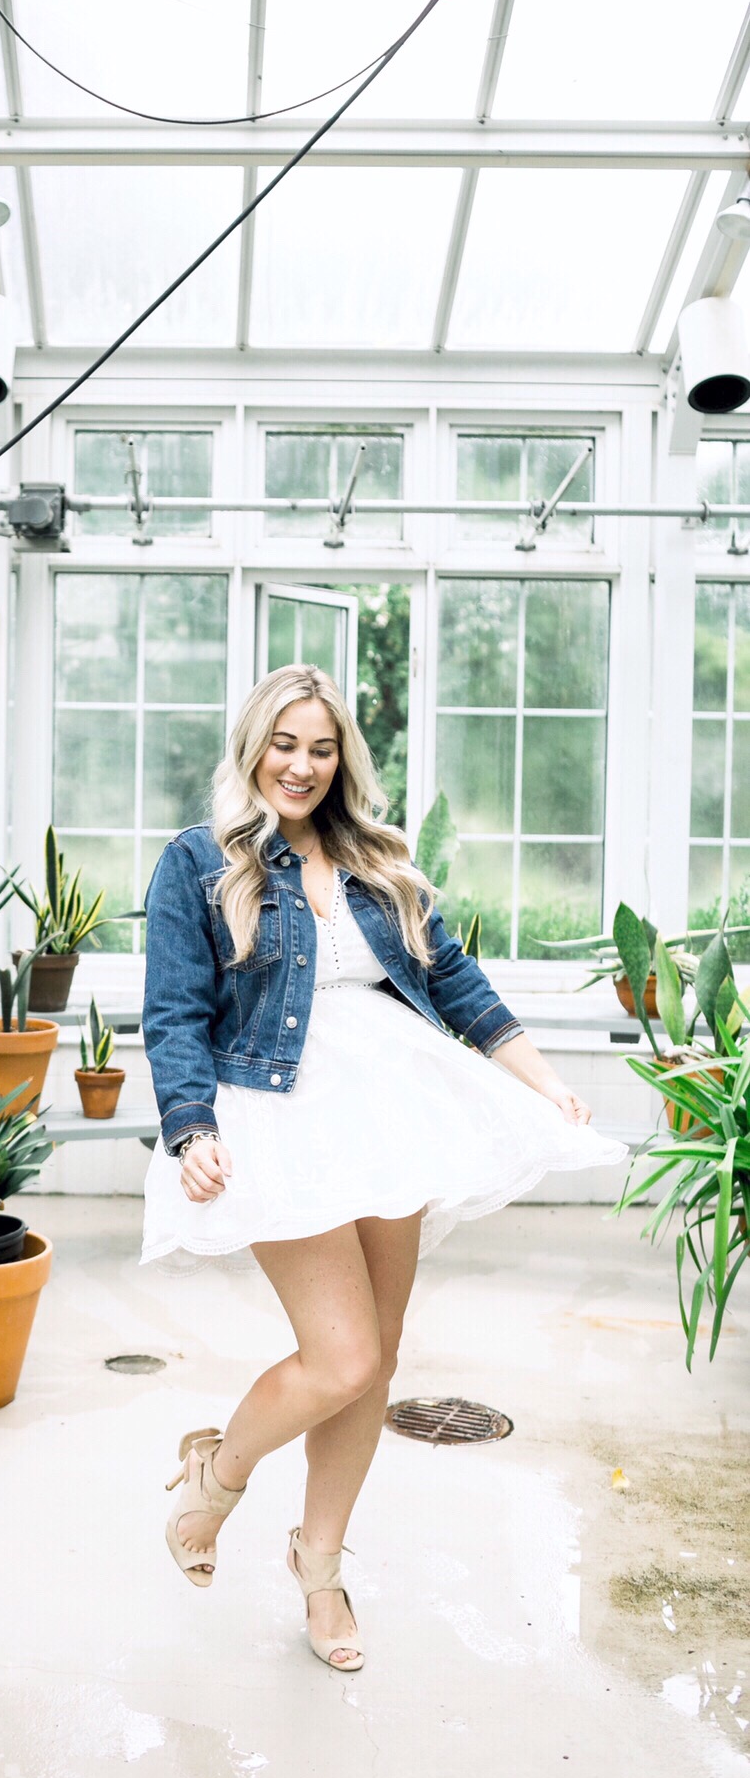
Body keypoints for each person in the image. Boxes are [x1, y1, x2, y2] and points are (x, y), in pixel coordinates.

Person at [139, 663, 628, 1671]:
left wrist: (540, 1078)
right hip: (277, 1118)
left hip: (392, 1121)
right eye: (285, 743)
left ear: (342, 759)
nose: (303, 766)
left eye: (322, 748)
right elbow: (174, 1009)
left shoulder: (374, 860)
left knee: (379, 1355)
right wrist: (190, 1128)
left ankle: (320, 1570)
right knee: (341, 1357)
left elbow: (457, 980)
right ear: (252, 745)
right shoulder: (199, 860)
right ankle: (214, 1479)